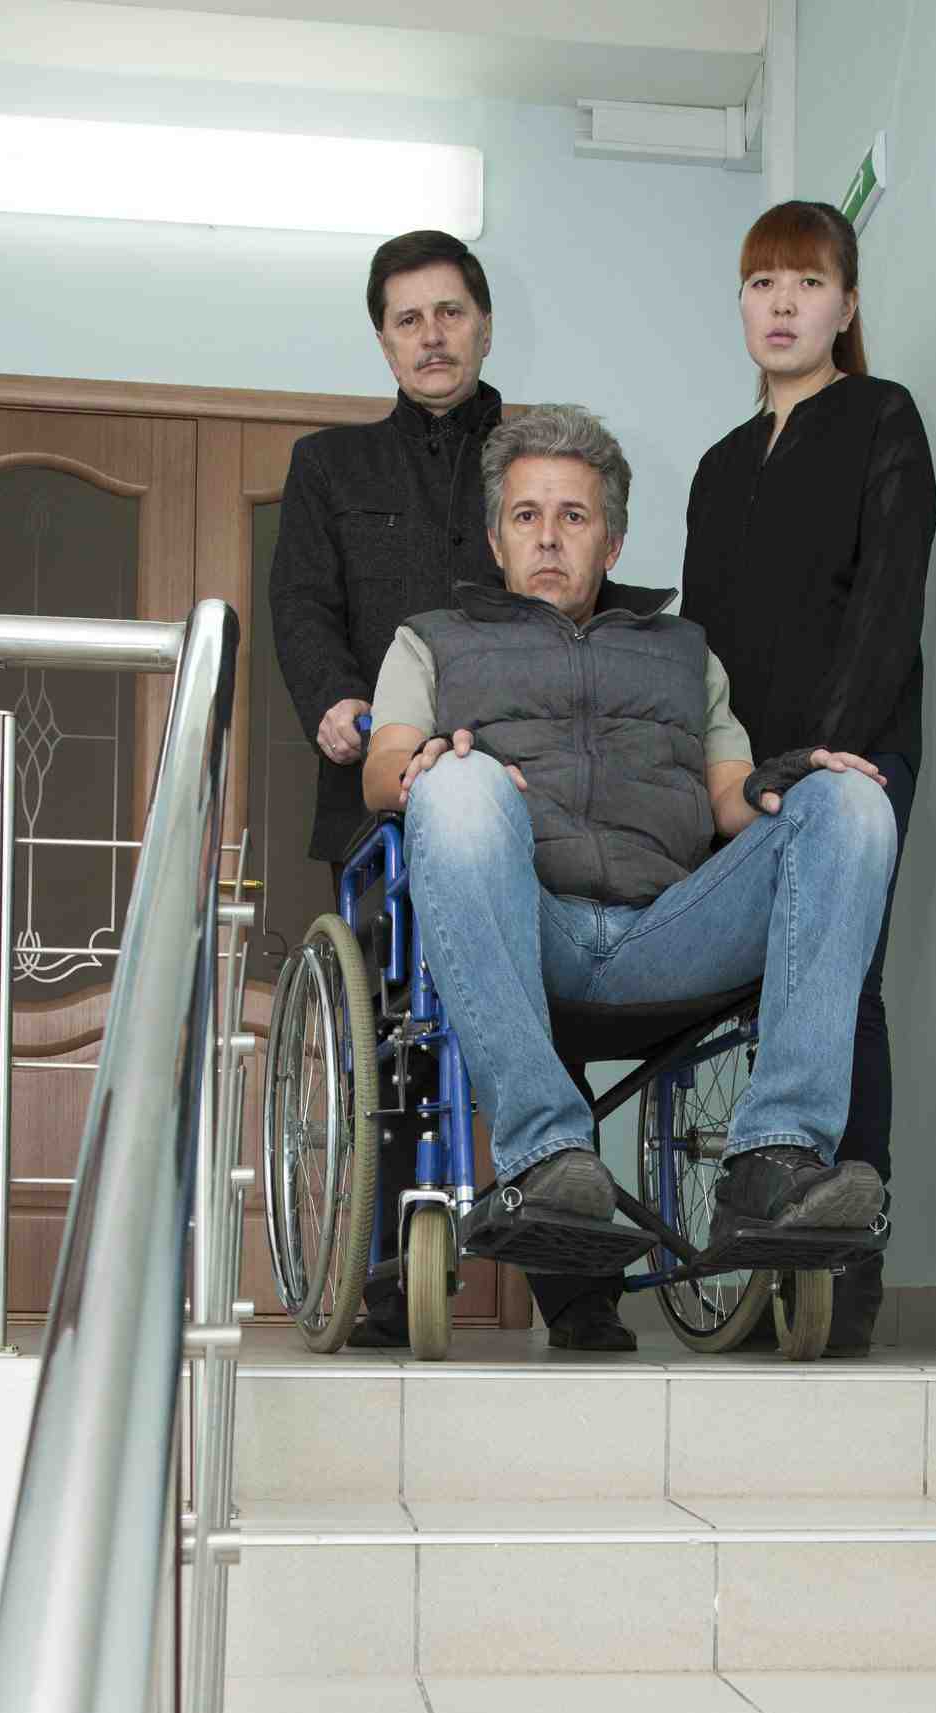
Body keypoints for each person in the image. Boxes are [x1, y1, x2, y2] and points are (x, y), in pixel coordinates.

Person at [362, 403, 897, 1288]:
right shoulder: (431, 641)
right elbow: (384, 768)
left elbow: (733, 798)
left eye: (573, 517)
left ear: (610, 542)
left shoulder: (686, 653)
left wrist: (797, 780)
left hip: (669, 932)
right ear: (495, 539)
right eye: (526, 516)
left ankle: (775, 1155)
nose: (547, 538)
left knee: (853, 800)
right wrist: (429, 765)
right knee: (453, 782)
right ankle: (544, 1153)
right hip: (526, 927)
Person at [269, 230, 626, 1351]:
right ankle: (388, 1283)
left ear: (484, 324)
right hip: (381, 790)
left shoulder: (537, 459)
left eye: (450, 313)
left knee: (550, 1010)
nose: (431, 337)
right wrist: (333, 699)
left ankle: (577, 1293)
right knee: (392, 1042)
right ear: (384, 341)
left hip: (532, 783)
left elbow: (582, 597)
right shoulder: (331, 468)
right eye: (407, 319)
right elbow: (300, 606)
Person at [680, 199, 936, 1354]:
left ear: (846, 304)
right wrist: (720, 773)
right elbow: (700, 648)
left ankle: (847, 1261)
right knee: (747, 995)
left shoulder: (882, 419)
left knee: (845, 987)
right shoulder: (717, 466)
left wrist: (825, 752)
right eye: (761, 284)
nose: (781, 304)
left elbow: (888, 602)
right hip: (741, 770)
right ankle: (757, 1249)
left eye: (806, 283)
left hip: (856, 757)